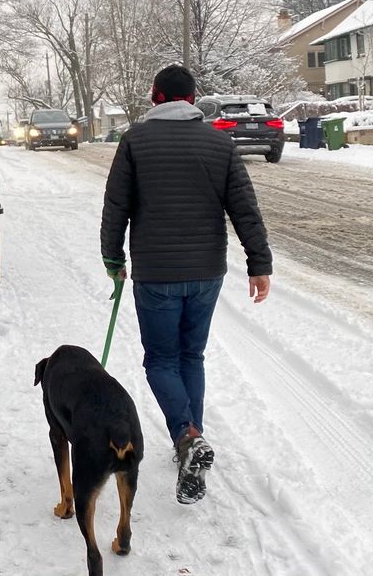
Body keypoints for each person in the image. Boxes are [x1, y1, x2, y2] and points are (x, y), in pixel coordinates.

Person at [99, 64, 272, 505]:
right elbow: (244, 207)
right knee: (191, 355)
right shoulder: (220, 142)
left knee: (160, 359)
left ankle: (186, 435)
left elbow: (116, 204)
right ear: (193, 99)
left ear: (156, 96)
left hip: (157, 272)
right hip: (207, 271)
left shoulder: (134, 140)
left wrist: (113, 257)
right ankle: (191, 440)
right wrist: (259, 263)